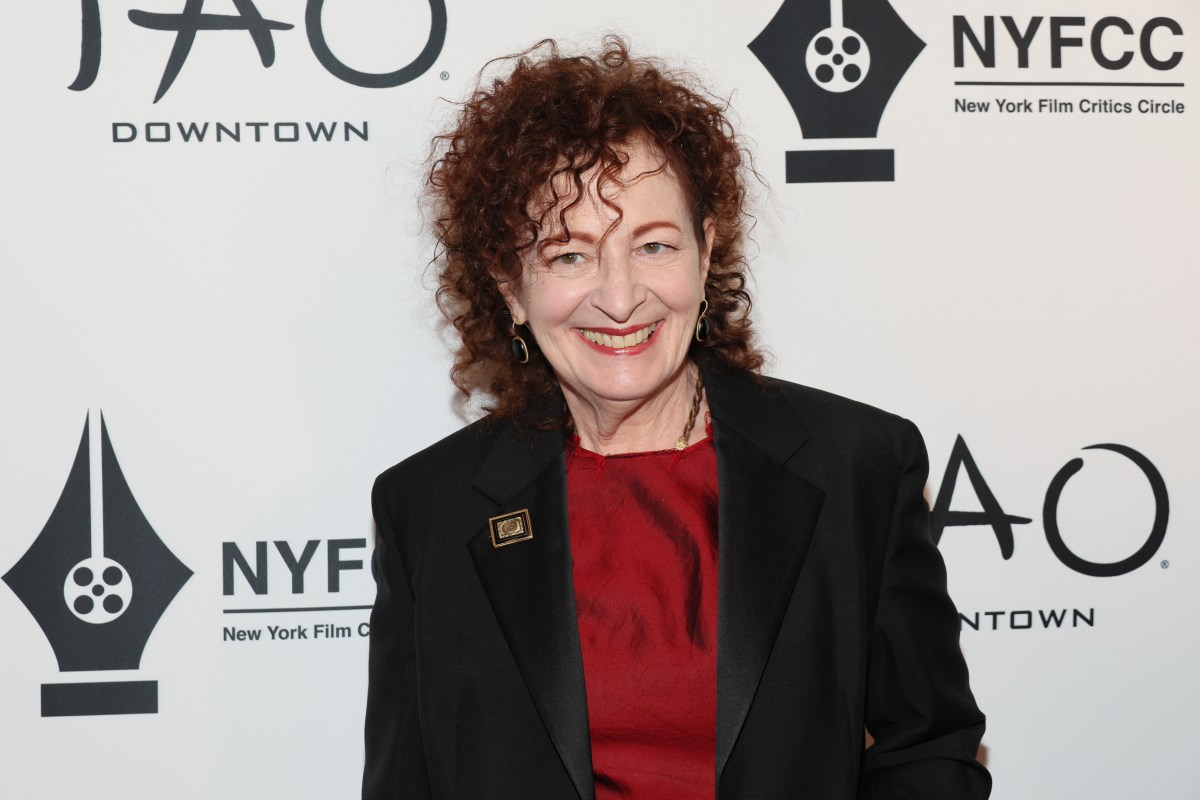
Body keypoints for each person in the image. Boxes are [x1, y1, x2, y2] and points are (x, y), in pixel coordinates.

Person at [363, 37, 990, 800]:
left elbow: (929, 746)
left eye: (653, 246)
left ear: (706, 252)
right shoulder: (428, 507)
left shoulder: (857, 464)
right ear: (509, 287)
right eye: (569, 256)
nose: (620, 297)